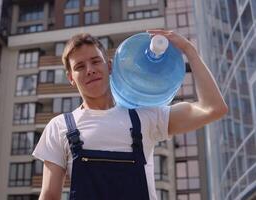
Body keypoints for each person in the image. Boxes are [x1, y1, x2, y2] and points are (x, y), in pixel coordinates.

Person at [32, 30, 228, 200]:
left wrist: (189, 51)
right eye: (80, 67)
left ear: (109, 66)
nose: (90, 70)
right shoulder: (60, 127)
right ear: (70, 78)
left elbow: (213, 108)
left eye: (95, 62)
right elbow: (49, 196)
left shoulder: (145, 116)